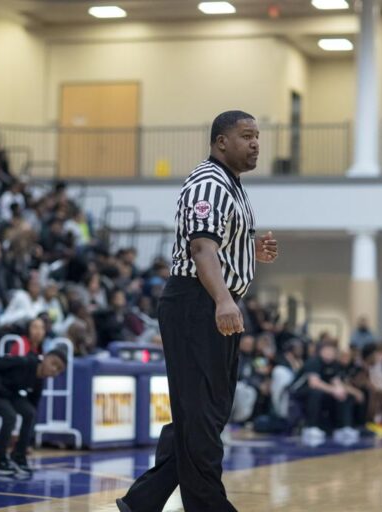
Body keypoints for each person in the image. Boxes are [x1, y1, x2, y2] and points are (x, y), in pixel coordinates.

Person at [117, 110, 279, 512]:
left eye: (258, 136)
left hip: (211, 299)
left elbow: (218, 245)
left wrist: (248, 251)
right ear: (221, 141)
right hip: (197, 302)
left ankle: (143, 502)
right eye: (246, 136)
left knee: (205, 413)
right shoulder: (208, 183)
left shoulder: (232, 185)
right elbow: (201, 249)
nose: (256, 143)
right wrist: (223, 300)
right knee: (203, 416)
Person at [0, 349, 67, 477]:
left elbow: (32, 407)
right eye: (54, 363)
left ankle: (18, 456)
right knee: (10, 416)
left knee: (30, 413)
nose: (54, 370)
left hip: (8, 393)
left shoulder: (39, 381)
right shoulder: (24, 362)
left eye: (59, 370)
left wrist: (26, 441)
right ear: (45, 357)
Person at [293, 342, 359, 446]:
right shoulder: (313, 362)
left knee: (344, 395)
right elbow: (314, 383)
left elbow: (336, 381)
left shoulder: (334, 365)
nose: (330, 353)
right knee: (316, 393)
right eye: (328, 351)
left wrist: (340, 390)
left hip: (322, 391)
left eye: (332, 351)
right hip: (300, 391)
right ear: (321, 352)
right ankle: (311, 427)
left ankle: (343, 427)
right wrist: (333, 390)